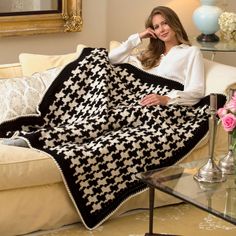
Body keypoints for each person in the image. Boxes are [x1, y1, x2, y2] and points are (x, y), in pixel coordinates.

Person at [109, 6, 205, 107]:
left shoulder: (191, 52)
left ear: (174, 23)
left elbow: (196, 90)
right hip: (132, 99)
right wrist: (139, 37)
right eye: (156, 27)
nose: (162, 30)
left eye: (165, 23)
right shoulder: (148, 54)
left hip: (159, 106)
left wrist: (167, 99)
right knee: (96, 56)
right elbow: (112, 59)